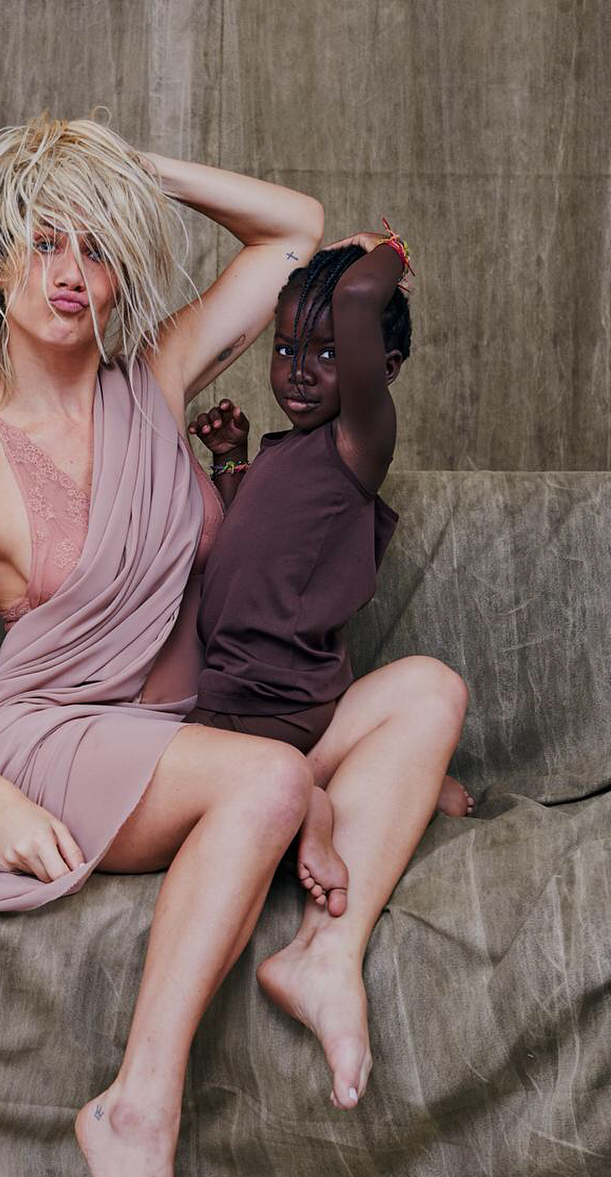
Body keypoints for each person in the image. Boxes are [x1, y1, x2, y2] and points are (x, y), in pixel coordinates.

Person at [0, 112, 455, 1177]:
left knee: (428, 694)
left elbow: (297, 231)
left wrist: (127, 169)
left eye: (95, 247)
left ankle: (328, 954)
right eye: (45, 240)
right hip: (59, 741)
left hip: (204, 725)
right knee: (269, 781)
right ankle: (137, 1109)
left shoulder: (152, 377)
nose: (70, 271)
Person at [185, 233, 475, 924]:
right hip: (257, 691)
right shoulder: (287, 451)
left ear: (383, 367)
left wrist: (389, 247)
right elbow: (250, 551)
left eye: (329, 354)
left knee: (176, 790)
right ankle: (392, 781)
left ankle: (310, 812)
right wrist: (230, 461)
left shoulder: (358, 443)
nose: (299, 373)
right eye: (286, 350)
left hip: (263, 702)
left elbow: (358, 295)